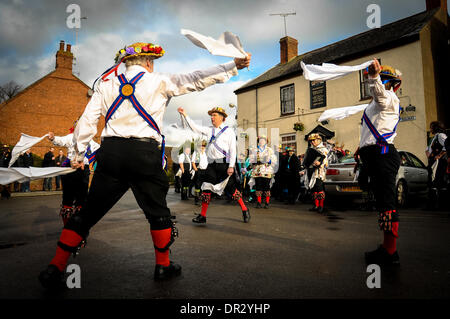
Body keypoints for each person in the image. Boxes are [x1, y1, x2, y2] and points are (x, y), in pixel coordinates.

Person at [38, 41, 251, 289]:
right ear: (149, 62)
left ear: (125, 63)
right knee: (157, 212)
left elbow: (87, 121)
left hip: (112, 153)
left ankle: (55, 266)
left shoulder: (106, 85)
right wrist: (232, 65)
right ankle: (163, 266)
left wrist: (77, 153)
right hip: (144, 154)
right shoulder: (158, 80)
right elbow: (196, 78)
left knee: (88, 212)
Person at [356, 58, 402, 266]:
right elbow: (373, 129)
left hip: (383, 155)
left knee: (387, 203)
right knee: (382, 201)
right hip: (375, 154)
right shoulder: (375, 105)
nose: (382, 83)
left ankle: (391, 253)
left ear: (394, 85)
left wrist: (374, 77)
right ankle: (386, 247)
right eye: (381, 79)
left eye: (386, 80)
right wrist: (361, 146)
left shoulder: (389, 98)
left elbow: (380, 96)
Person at [178, 106, 251, 224]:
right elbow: (194, 127)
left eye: (214, 115)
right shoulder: (209, 130)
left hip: (224, 163)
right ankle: (203, 216)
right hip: (211, 164)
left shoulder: (229, 131)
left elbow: (233, 150)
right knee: (207, 188)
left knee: (231, 189)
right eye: (211, 115)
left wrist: (231, 166)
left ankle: (244, 209)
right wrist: (185, 115)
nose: (212, 117)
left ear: (222, 118)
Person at [47, 130, 100, 225]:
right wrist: (53, 138)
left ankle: (78, 228)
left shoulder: (90, 141)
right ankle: (67, 227)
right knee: (68, 198)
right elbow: (61, 140)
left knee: (82, 199)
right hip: (70, 168)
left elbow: (98, 152)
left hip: (83, 170)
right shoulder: (71, 137)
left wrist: (84, 162)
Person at [301, 134, 328, 213]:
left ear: (319, 140)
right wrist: (304, 168)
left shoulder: (323, 149)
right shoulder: (310, 149)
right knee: (313, 189)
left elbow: (325, 161)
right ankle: (316, 205)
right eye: (311, 141)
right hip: (310, 171)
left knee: (319, 188)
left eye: (314, 140)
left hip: (318, 172)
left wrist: (319, 163)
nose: (312, 142)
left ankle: (321, 206)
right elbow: (306, 160)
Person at [248, 135, 277, 209]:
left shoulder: (269, 150)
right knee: (258, 186)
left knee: (266, 186)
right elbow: (251, 160)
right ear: (258, 141)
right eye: (260, 140)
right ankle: (259, 202)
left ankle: (267, 203)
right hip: (258, 169)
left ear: (266, 142)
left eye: (263, 140)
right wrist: (255, 160)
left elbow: (274, 160)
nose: (262, 141)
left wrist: (269, 160)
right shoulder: (255, 150)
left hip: (267, 169)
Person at [425, 121, 447, 209]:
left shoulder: (441, 135)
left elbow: (447, 146)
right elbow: (429, 149)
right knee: (434, 182)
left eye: (431, 127)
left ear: (435, 127)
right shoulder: (434, 137)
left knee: (437, 182)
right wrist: (427, 152)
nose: (430, 129)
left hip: (438, 162)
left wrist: (439, 155)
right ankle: (434, 204)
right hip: (433, 162)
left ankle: (439, 205)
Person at [192, 141, 209, 205]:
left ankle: (203, 199)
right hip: (198, 170)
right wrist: (196, 170)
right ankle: (196, 200)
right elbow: (193, 162)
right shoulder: (196, 153)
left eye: (204, 146)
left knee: (204, 186)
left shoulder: (206, 153)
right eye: (201, 146)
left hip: (205, 171)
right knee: (197, 186)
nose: (202, 147)